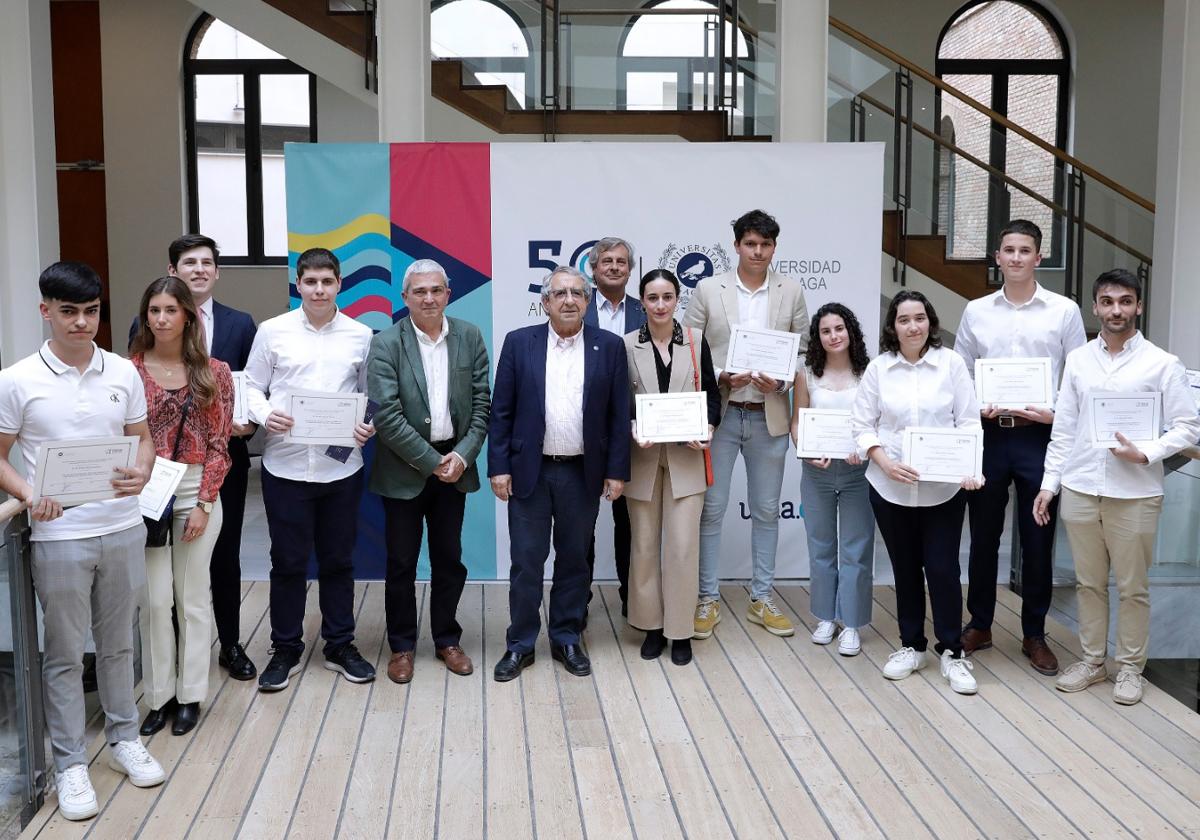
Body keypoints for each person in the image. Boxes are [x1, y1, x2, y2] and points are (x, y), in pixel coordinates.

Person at [0, 262, 164, 821]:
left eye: (91, 311)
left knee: (119, 644)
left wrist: (142, 472)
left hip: (121, 525)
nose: (81, 322)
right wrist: (27, 491)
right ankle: (71, 764)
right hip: (59, 535)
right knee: (66, 654)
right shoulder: (17, 379)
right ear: (45, 311)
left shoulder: (122, 371)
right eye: (68, 311)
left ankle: (124, 739)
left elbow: (141, 441)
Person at [1034, 269, 1200, 706]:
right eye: (1107, 302)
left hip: (1137, 492)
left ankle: (1130, 668)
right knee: (1088, 583)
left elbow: (1188, 427)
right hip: (1081, 487)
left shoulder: (1163, 364)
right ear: (1095, 306)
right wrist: (1049, 486)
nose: (1116, 310)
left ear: (1139, 306)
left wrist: (1145, 452)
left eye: (1125, 301)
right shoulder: (1079, 361)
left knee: (1132, 587)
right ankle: (1092, 661)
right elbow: (1064, 430)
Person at [954, 220, 1086, 676]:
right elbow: (961, 373)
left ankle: (1034, 634)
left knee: (1037, 537)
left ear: (1038, 256)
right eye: (1008, 249)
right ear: (997, 256)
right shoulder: (976, 311)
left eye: (1024, 250)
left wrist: (1055, 415)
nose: (1015, 257)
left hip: (1039, 437)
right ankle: (981, 624)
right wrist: (977, 407)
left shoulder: (1064, 311)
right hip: (991, 436)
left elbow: (1078, 375)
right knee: (984, 536)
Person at [243, 247, 377, 691]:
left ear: (340, 284)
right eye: (311, 282)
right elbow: (250, 386)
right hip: (284, 466)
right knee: (287, 562)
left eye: (327, 281)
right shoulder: (272, 331)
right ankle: (285, 647)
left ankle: (339, 643)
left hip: (341, 469)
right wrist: (265, 416)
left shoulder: (360, 335)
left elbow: (369, 396)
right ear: (298, 285)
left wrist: (366, 426)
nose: (319, 289)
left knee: (339, 560)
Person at [489, 267, 630, 682]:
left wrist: (617, 471)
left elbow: (618, 416)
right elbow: (502, 412)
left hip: (582, 475)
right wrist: (498, 467)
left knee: (574, 561)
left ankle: (567, 637)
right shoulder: (519, 343)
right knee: (526, 562)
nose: (569, 300)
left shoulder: (610, 346)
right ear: (545, 302)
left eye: (577, 293)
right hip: (530, 473)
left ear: (588, 302)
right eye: (559, 293)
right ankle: (520, 644)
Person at [129, 234, 259, 680]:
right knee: (160, 577)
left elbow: (253, 387)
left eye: (207, 262)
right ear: (173, 271)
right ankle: (174, 658)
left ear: (217, 272)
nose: (199, 269)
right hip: (158, 472)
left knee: (223, 555)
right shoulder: (148, 327)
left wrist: (250, 422)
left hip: (222, 462)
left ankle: (231, 644)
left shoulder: (241, 323)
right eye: (189, 262)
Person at [682, 209, 809, 639]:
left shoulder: (790, 291)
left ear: (775, 248)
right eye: (750, 244)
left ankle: (762, 596)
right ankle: (706, 598)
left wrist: (786, 378)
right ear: (736, 245)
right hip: (720, 415)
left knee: (768, 511)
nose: (758, 251)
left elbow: (804, 350)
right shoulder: (707, 288)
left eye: (766, 245)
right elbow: (689, 348)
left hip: (768, 413)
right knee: (711, 510)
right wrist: (720, 374)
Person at [850, 290, 983, 695]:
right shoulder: (879, 369)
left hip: (943, 490)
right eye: (904, 320)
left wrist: (970, 470)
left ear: (931, 322)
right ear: (893, 326)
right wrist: (884, 462)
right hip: (889, 487)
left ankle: (952, 651)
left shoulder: (952, 364)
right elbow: (862, 426)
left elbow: (969, 422)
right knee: (904, 570)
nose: (913, 326)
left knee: (943, 570)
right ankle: (912, 645)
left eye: (920, 318)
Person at [368, 259, 490, 684]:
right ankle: (401, 646)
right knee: (400, 562)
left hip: (454, 466)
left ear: (448, 294)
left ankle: (446, 640)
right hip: (405, 468)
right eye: (419, 291)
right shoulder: (385, 343)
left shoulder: (470, 337)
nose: (428, 298)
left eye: (436, 290)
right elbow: (385, 415)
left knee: (449, 560)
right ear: (404, 298)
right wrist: (431, 461)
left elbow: (481, 406)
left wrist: (461, 456)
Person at [131, 277, 234, 736]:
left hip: (196, 489)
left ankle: (190, 695)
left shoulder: (214, 372)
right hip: (146, 493)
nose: (161, 319)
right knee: (154, 602)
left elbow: (220, 446)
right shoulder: (127, 371)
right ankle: (159, 697)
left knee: (191, 599)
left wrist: (205, 503)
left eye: (171, 310)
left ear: (187, 316)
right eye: (154, 310)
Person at [624, 269, 719, 666]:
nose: (660, 305)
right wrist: (630, 425)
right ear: (642, 301)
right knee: (644, 547)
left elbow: (712, 394)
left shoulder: (696, 341)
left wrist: (708, 427)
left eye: (667, 297)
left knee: (682, 547)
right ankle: (650, 626)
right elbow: (618, 401)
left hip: (686, 458)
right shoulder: (627, 345)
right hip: (642, 459)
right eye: (652, 298)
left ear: (678, 298)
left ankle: (679, 630)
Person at [791, 303, 874, 657]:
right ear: (817, 337)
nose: (833, 336)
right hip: (817, 471)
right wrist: (805, 450)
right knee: (821, 546)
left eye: (839, 328)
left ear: (850, 331)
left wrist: (867, 449)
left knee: (855, 549)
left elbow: (878, 423)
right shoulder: (806, 372)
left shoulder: (870, 372)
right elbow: (797, 421)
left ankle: (852, 623)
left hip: (859, 472)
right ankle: (826, 616)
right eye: (825, 331)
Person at [583, 237, 646, 616]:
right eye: (606, 261)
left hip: (634, 433)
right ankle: (579, 601)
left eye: (621, 261)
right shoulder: (574, 305)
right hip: (584, 434)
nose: (614, 267)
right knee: (581, 527)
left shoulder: (646, 310)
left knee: (631, 525)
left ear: (630, 268)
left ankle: (633, 601)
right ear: (593, 267)